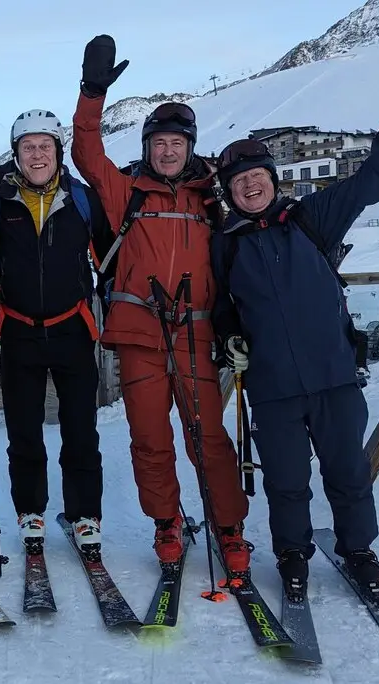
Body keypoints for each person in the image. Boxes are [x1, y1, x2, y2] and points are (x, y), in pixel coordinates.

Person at [209, 64, 379, 605]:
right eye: (239, 181)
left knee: (347, 472)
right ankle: (293, 554)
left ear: (272, 178)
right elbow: (219, 304)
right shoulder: (226, 244)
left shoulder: (312, 218)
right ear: (229, 192)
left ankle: (359, 551)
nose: (250, 184)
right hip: (272, 386)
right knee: (286, 481)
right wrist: (229, 338)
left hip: (333, 375)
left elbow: (374, 176)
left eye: (257, 176)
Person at [71, 34, 252, 577]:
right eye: (159, 142)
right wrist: (91, 92)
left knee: (210, 440)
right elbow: (84, 151)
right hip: (139, 337)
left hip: (197, 337)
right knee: (150, 440)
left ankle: (229, 528)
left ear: (189, 146)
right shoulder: (124, 190)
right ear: (148, 147)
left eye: (177, 142)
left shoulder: (210, 199)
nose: (168, 150)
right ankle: (166, 524)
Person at [0, 109, 114, 559]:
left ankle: (84, 515)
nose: (37, 154)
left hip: (72, 327)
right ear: (15, 154)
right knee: (24, 432)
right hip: (18, 331)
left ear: (58, 152)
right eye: (27, 147)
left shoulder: (82, 200)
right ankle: (30, 513)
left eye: (44, 146)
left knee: (80, 429)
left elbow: (111, 263)